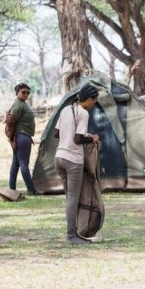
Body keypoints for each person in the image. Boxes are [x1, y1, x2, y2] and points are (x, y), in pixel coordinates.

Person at [54, 83, 100, 245]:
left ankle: (72, 232)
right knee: (73, 198)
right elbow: (78, 139)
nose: (93, 105)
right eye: (94, 102)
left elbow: (56, 133)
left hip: (59, 157)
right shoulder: (83, 113)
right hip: (73, 160)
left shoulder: (66, 109)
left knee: (70, 199)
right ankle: (71, 236)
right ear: (88, 100)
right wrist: (92, 138)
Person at [5, 83, 39, 195]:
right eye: (23, 92)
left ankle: (12, 189)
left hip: (24, 136)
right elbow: (10, 122)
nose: (26, 94)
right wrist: (11, 139)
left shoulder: (23, 104)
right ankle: (31, 190)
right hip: (21, 136)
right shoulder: (18, 105)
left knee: (16, 163)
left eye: (28, 92)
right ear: (17, 92)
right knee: (24, 164)